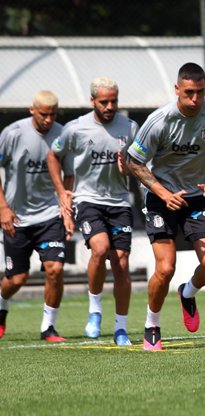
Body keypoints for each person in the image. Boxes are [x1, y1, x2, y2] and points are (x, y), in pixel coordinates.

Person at [126, 62, 205, 351]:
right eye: (189, 92)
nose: (195, 99)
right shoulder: (159, 121)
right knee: (165, 268)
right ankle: (152, 325)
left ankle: (187, 293)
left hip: (197, 196)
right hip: (160, 198)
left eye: (200, 92)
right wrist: (163, 193)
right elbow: (133, 162)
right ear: (177, 89)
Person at [48, 78, 139, 346]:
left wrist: (128, 168)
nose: (110, 106)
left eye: (114, 101)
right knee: (100, 249)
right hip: (88, 199)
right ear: (92, 101)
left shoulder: (130, 128)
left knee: (121, 263)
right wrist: (62, 191)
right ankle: (95, 310)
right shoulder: (75, 129)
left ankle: (121, 329)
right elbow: (53, 156)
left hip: (119, 202)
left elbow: (140, 163)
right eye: (104, 102)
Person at [0, 90, 71, 342]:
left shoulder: (63, 135)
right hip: (17, 217)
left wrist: (66, 208)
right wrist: (3, 208)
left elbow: (70, 173)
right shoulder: (13, 134)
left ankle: (48, 328)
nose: (48, 120)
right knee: (16, 279)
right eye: (43, 114)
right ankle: (1, 304)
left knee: (55, 268)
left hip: (50, 215)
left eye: (52, 115)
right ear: (32, 110)